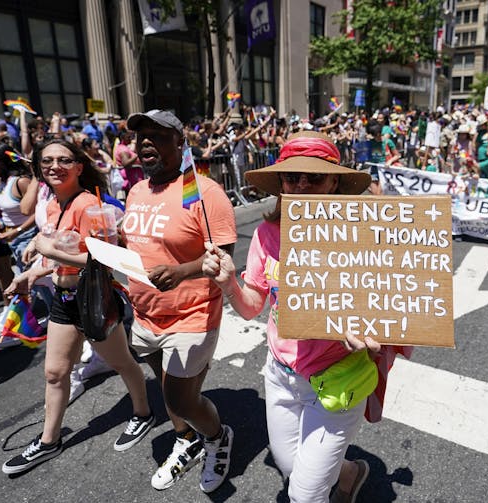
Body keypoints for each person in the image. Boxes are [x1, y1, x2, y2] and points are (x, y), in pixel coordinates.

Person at [202, 131, 376, 503]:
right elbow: (253, 305)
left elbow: (390, 306)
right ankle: (351, 472)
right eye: (292, 176)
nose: (301, 185)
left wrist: (369, 328)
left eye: (314, 177)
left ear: (334, 182)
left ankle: (333, 477)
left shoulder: (361, 235)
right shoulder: (268, 233)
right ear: (281, 183)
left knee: (304, 495)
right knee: (289, 466)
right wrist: (229, 284)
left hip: (337, 381)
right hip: (281, 376)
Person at [1, 138, 153, 475]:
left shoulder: (89, 205)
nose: (55, 166)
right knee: (54, 372)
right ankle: (48, 440)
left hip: (95, 300)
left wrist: (49, 251)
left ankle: (143, 412)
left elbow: (104, 260)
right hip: (64, 299)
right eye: (47, 161)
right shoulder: (54, 205)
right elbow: (63, 260)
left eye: (64, 160)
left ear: (79, 167)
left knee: (122, 362)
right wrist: (34, 271)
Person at [122, 109, 236, 493]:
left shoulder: (205, 193)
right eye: (141, 137)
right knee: (167, 387)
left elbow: (223, 259)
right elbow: (136, 244)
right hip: (144, 314)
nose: (146, 143)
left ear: (181, 143)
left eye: (157, 136)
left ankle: (217, 437)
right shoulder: (137, 189)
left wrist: (183, 272)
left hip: (192, 315)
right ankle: (185, 439)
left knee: (180, 398)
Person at [0, 144, 38, 336]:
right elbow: (3, 211)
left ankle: (16, 326)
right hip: (14, 240)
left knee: (33, 284)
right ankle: (18, 322)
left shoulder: (21, 182)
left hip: (28, 238)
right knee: (34, 286)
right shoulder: (2, 182)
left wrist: (17, 230)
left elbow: (36, 212)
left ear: (4, 160)